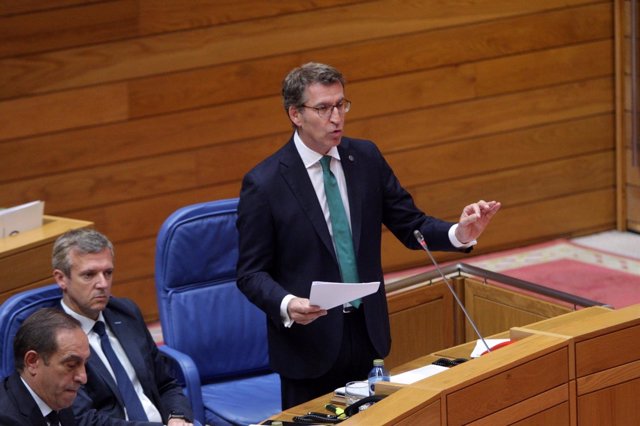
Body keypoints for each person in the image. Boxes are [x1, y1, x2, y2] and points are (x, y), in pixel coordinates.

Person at [236, 62, 501, 409]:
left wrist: (458, 232)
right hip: (309, 343)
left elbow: (411, 225)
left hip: (367, 334)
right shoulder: (265, 183)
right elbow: (251, 273)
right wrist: (288, 304)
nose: (336, 118)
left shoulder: (365, 158)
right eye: (323, 108)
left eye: (341, 104)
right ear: (295, 115)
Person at [51, 228, 194, 426]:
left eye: (108, 273)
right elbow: (81, 419)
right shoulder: (53, 337)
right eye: (89, 275)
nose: (102, 284)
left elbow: (166, 383)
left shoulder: (126, 313)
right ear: (61, 279)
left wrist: (177, 417)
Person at [0, 307, 90, 425]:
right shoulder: (6, 420)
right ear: (32, 361)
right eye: (71, 365)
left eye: (85, 363)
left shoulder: (56, 397)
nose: (83, 378)